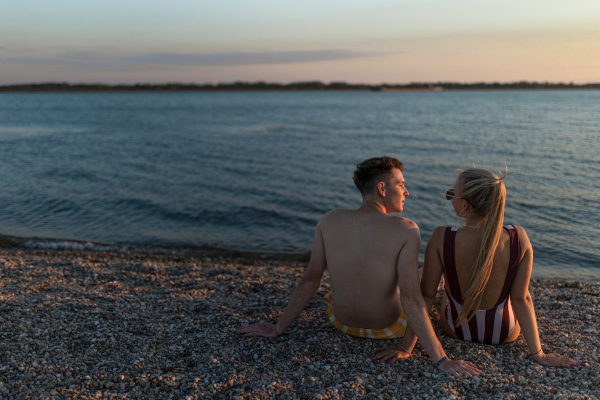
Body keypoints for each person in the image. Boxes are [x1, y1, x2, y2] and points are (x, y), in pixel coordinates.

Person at [237, 157, 481, 379]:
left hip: (340, 321)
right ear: (382, 188)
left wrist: (277, 328)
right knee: (428, 279)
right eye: (401, 185)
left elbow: (310, 281)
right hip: (387, 328)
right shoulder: (407, 229)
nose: (407, 192)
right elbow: (410, 297)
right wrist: (441, 359)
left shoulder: (329, 220)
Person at [374, 168, 581, 368]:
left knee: (442, 286)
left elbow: (426, 298)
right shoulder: (518, 237)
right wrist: (539, 354)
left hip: (456, 328)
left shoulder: (441, 237)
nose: (450, 197)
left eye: (452, 194)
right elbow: (521, 299)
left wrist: (406, 347)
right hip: (503, 333)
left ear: (464, 205)